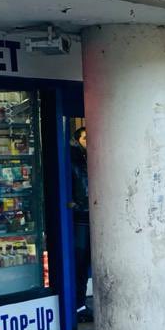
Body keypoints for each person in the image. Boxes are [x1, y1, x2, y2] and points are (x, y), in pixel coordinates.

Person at [70, 126, 91, 319]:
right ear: (78, 140)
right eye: (86, 138)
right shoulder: (75, 158)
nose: (89, 141)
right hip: (80, 218)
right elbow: (82, 189)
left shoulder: (87, 157)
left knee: (84, 263)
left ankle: (80, 305)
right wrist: (77, 206)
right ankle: (77, 305)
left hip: (86, 215)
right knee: (80, 262)